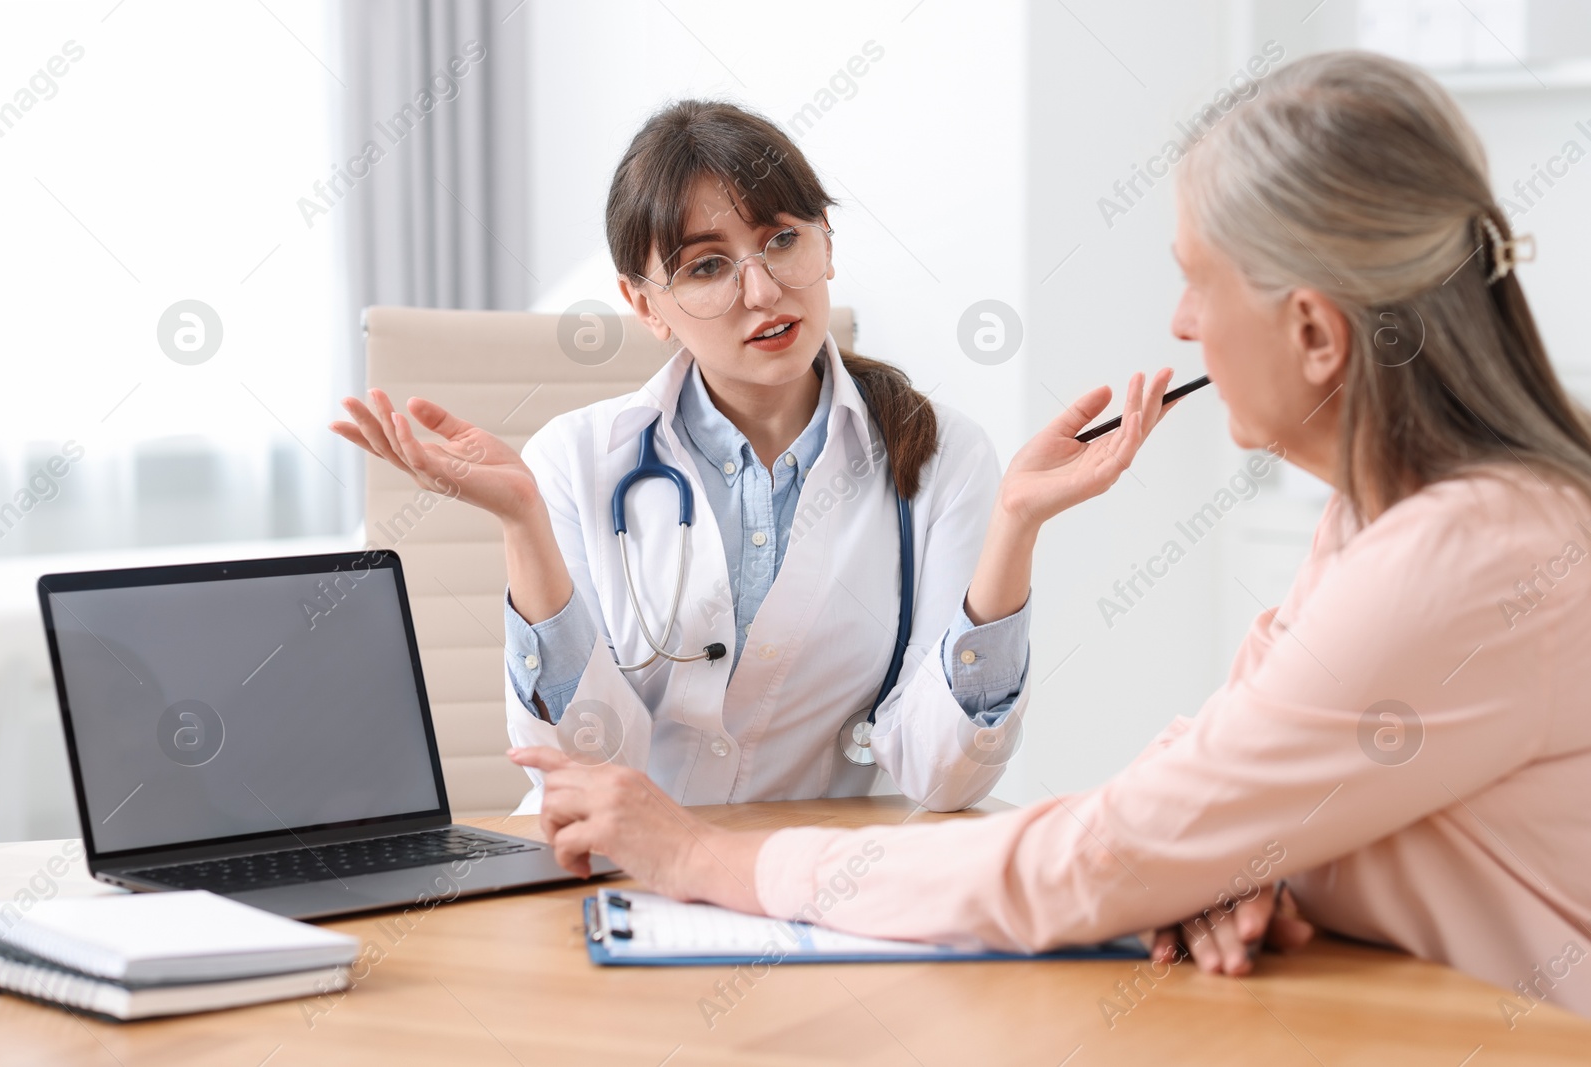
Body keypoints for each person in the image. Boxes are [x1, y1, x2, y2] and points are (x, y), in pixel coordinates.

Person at [510, 52, 1591, 1016]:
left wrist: (703, 855)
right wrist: (1220, 856)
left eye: (1194, 279)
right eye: (705, 266)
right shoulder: (1384, 519)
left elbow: (1104, 847)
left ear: (1311, 330)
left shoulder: (1462, 553)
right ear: (645, 301)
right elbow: (1217, 766)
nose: (1177, 323)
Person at [332, 100, 1173, 814]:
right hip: (602, 881)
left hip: (814, 895)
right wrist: (522, 522)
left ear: (827, 244)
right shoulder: (574, 462)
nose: (763, 290)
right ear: (644, 304)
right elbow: (584, 765)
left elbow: (943, 774)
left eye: (781, 240)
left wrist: (1015, 529)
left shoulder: (942, 456)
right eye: (706, 266)